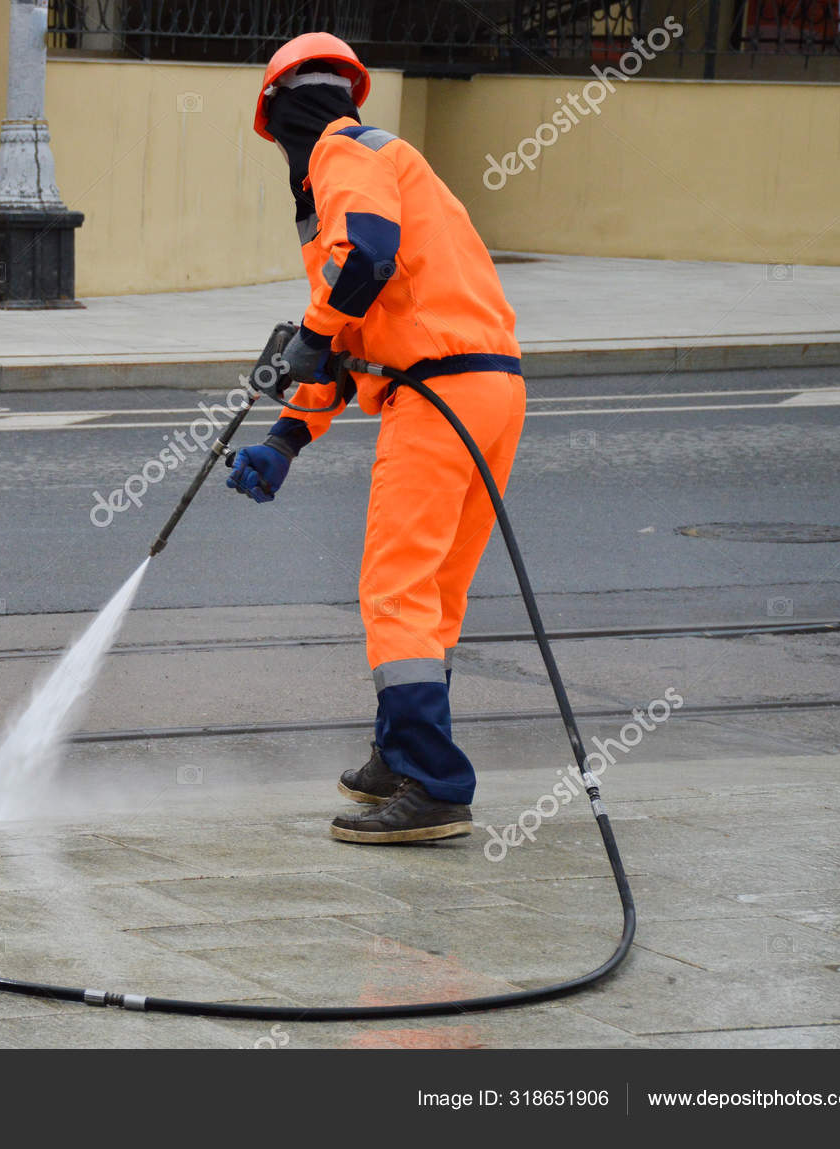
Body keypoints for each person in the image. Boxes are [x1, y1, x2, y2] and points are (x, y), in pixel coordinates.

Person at [227, 33, 527, 846]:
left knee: (395, 587)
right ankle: (401, 752)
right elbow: (352, 323)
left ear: (283, 113)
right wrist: (287, 438)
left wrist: (314, 329)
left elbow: (365, 257)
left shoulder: (342, 152)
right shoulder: (388, 162)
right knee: (435, 591)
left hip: (435, 395)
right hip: (491, 386)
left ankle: (434, 783)